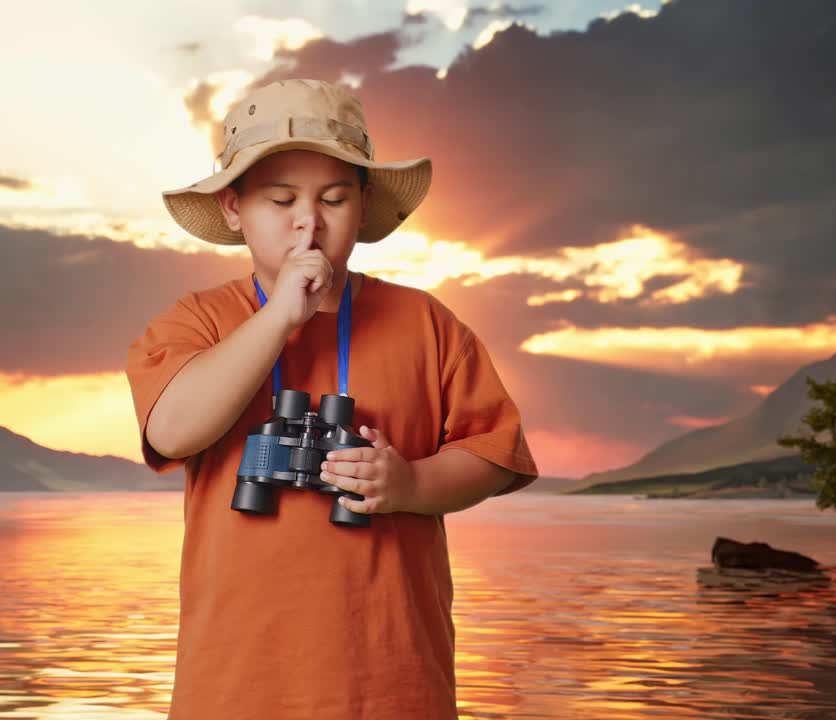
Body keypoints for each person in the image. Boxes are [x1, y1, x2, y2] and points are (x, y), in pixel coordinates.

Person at [126, 78, 539, 719]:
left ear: (364, 205)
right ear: (234, 208)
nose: (308, 221)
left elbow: (496, 452)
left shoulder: (427, 325)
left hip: (393, 684)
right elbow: (173, 431)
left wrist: (410, 485)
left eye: (335, 198)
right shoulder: (196, 322)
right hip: (235, 687)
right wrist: (278, 318)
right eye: (281, 199)